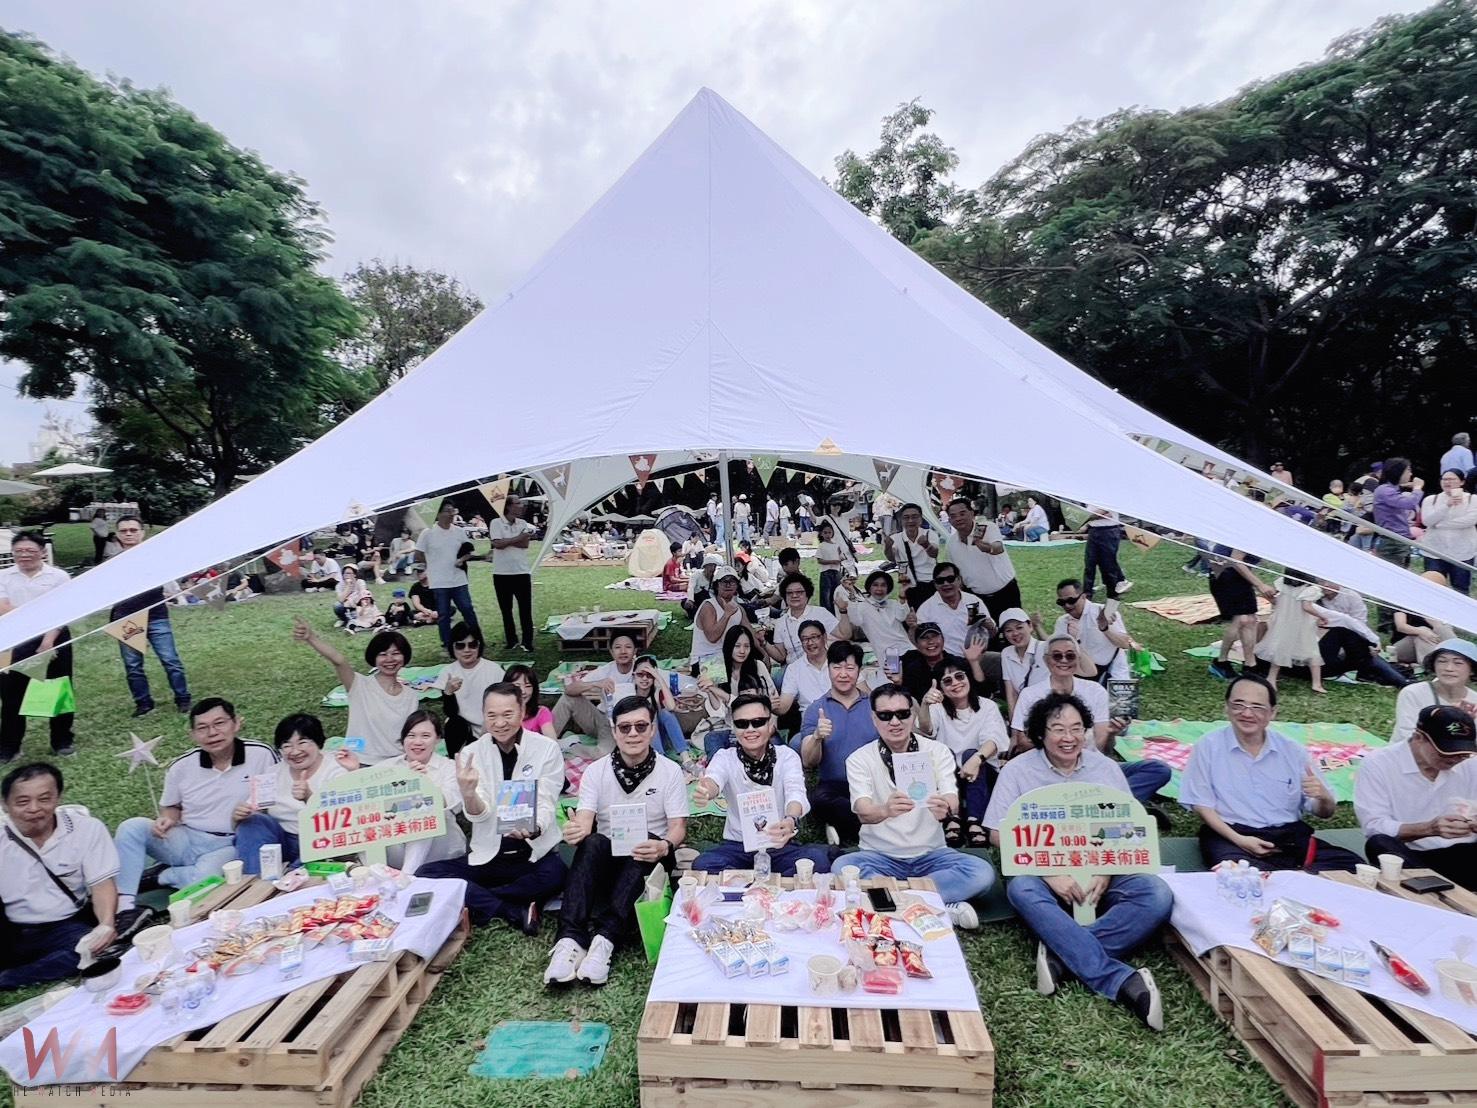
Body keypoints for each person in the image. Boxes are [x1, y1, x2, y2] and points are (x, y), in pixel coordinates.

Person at [984, 692, 1171, 1030]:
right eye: (1057, 729)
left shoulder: (1106, 769)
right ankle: (1118, 980)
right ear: (1040, 733)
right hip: (1045, 873)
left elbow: (1127, 826)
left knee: (1155, 893)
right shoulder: (1018, 771)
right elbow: (996, 833)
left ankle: (1061, 956)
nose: (1068, 738)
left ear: (1086, 731)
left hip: (1104, 870)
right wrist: (1049, 870)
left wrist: (1106, 869)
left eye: (1076, 729)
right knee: (1022, 889)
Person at [547, 696, 688, 985]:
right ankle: (570, 941)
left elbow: (678, 827)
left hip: (652, 855)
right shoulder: (596, 771)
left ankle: (604, 941)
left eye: (640, 726)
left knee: (645, 841)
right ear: (614, 731)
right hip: (610, 853)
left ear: (651, 730)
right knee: (593, 842)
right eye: (625, 728)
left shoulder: (670, 771)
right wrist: (576, 830)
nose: (633, 734)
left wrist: (664, 845)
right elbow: (585, 820)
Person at [113, 697, 278, 927]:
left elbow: (275, 797)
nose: (212, 733)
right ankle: (125, 907)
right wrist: (167, 819)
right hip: (188, 837)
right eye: (202, 727)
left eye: (220, 723)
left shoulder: (261, 754)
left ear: (236, 724)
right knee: (131, 827)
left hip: (231, 843)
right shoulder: (182, 766)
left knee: (207, 880)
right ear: (193, 734)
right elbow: (171, 806)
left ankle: (163, 876)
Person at [844, 685, 994, 928]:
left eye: (903, 714)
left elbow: (951, 799)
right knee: (843, 867)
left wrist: (944, 809)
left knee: (982, 873)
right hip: (879, 855)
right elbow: (862, 810)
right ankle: (935, 904)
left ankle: (894, 901)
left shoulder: (936, 751)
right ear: (874, 718)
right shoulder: (859, 758)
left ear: (913, 715)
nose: (895, 721)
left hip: (931, 854)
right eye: (885, 715)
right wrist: (885, 810)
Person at [422, 684, 568, 933]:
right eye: (492, 715)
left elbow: (546, 799)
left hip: (532, 854)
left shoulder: (546, 749)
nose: (500, 723)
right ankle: (512, 909)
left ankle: (479, 898)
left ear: (522, 712)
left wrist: (534, 828)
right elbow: (481, 812)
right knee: (426, 873)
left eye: (507, 714)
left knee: (558, 875)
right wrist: (468, 793)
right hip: (489, 855)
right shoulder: (472, 753)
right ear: (483, 714)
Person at [1179, 674, 1361, 872]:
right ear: (1227, 707)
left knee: (1352, 865)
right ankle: (1293, 879)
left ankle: (1292, 878)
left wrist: (1325, 797)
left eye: (1257, 707)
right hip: (1231, 835)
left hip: (1286, 837)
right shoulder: (1208, 746)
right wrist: (1240, 840)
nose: (1247, 713)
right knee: (1238, 875)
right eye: (1238, 705)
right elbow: (1202, 805)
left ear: (1272, 712)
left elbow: (1324, 812)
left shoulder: (1292, 750)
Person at [1010, 636, 1171, 810]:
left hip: (1093, 767)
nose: (1064, 660)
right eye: (1057, 656)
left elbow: (1102, 749)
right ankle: (1117, 805)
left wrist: (1111, 733)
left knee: (1158, 770)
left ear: (1078, 660)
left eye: (1070, 656)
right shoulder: (1031, 694)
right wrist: (1061, 747)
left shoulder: (1095, 691)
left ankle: (1112, 805)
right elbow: (1022, 742)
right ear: (1046, 660)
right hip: (1050, 769)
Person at [0, 763, 123, 988]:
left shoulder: (86, 829)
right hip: (10, 928)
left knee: (90, 949)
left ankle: (10, 978)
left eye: (45, 799)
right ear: (5, 804)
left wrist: (106, 924)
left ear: (58, 797)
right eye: (23, 802)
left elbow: (102, 884)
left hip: (63, 926)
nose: (34, 808)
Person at [692, 692, 831, 875]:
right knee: (703, 865)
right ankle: (757, 887)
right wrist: (706, 790)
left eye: (758, 722)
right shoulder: (725, 757)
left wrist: (790, 820)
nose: (750, 729)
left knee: (817, 862)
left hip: (778, 843)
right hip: (738, 845)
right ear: (734, 728)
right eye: (742, 724)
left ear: (770, 725)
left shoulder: (786, 756)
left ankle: (746, 884)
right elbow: (714, 779)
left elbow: (795, 792)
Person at [1355, 705, 1477, 889]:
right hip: (1414, 856)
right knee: (1379, 843)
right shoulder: (1379, 764)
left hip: (1466, 853)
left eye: (1462, 753)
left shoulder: (1470, 763)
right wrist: (1429, 828)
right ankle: (1436, 888)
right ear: (1419, 738)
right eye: (1445, 752)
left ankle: (1444, 888)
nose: (1455, 759)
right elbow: (1374, 826)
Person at [232, 713, 356, 875]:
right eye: (287, 745)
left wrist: (309, 798)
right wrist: (239, 816)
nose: (295, 751)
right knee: (253, 822)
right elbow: (252, 816)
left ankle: (292, 876)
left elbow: (343, 822)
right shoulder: (273, 773)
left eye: (302, 742)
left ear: (319, 743)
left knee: (301, 869)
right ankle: (254, 881)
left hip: (320, 842)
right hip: (282, 840)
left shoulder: (336, 771)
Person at [294, 621, 419, 763]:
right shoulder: (359, 684)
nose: (390, 659)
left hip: (398, 762)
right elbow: (339, 661)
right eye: (383, 654)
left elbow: (411, 735)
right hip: (360, 761)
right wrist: (311, 638)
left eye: (396, 653)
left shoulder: (411, 696)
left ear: (404, 657)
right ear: (374, 657)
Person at [0, 532, 75, 762]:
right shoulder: (4, 576)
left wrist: (47, 641)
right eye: (19, 551)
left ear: (42, 552)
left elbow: (63, 610)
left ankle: (62, 740)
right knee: (11, 695)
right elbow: (3, 607)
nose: (24, 555)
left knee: (57, 689)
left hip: (55, 637)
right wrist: (35, 622)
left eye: (30, 551)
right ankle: (10, 746)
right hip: (14, 640)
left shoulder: (58, 577)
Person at [916, 656, 1007, 847]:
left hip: (981, 770)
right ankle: (952, 817)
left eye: (960, 676)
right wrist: (924, 704)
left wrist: (976, 759)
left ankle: (975, 821)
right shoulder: (938, 708)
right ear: (941, 688)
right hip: (947, 774)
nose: (955, 683)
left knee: (971, 754)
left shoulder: (987, 706)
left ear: (968, 678)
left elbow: (994, 740)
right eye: (948, 681)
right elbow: (926, 729)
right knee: (944, 754)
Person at [107, 515, 192, 718]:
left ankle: (183, 699)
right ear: (118, 534)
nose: (129, 534)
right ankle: (143, 703)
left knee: (170, 660)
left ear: (142, 533)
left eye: (133, 530)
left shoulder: (156, 557)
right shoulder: (111, 563)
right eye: (124, 531)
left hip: (156, 616)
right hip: (126, 617)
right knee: (133, 665)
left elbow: (169, 581)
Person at [795, 641, 878, 844]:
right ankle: (870, 825)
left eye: (850, 668)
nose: (843, 674)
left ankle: (849, 829)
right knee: (818, 801)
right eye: (837, 667)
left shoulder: (875, 706)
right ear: (828, 670)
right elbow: (808, 761)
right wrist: (816, 737)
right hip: (835, 785)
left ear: (859, 672)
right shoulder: (817, 709)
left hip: (872, 782)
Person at [552, 631, 641, 749]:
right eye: (618, 647)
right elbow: (569, 690)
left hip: (631, 724)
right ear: (611, 652)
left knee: (606, 755)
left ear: (635, 651)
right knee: (568, 699)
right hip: (602, 721)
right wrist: (596, 683)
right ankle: (546, 742)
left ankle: (573, 748)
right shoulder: (605, 670)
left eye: (628, 647)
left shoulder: (641, 670)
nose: (623, 651)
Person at [1313, 579, 1408, 687]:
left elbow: (1359, 623)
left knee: (1360, 646)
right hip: (1324, 645)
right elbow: (1343, 620)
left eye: (1329, 581)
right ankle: (1400, 680)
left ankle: (1397, 678)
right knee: (1350, 638)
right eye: (1321, 582)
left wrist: (1369, 640)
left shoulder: (1350, 596)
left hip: (1351, 640)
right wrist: (1372, 640)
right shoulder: (1314, 598)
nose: (1325, 585)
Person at [938, 498, 1021, 622]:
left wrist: (986, 547)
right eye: (953, 516)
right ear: (949, 520)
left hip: (1005, 592)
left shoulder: (987, 527)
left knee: (1014, 630)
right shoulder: (951, 543)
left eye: (962, 513)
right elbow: (953, 572)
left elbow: (998, 547)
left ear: (972, 513)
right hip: (976, 598)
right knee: (982, 634)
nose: (958, 518)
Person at [416, 502, 481, 655]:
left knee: (467, 609)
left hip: (459, 579)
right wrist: (431, 565)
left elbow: (469, 551)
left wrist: (462, 559)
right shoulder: (428, 533)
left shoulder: (459, 531)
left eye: (453, 511)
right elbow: (418, 554)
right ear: (438, 514)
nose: (451, 514)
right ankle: (447, 644)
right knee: (443, 614)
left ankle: (477, 640)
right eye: (447, 511)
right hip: (439, 581)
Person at [1206, 546, 1277, 681]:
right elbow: (1236, 559)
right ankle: (1221, 662)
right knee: (1242, 619)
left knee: (1249, 620)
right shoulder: (1251, 531)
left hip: (1236, 576)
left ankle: (1250, 665)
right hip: (1225, 575)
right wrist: (1260, 585)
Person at [1253, 570, 1326, 693]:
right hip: (1302, 624)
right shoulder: (1311, 589)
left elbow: (1275, 601)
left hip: (1283, 621)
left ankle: (1271, 679)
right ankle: (1316, 683)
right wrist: (1322, 616)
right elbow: (1306, 607)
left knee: (1281, 649)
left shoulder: (1283, 584)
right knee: (1312, 651)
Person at [1391, 639, 1477, 743]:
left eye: (1458, 663)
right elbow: (1408, 737)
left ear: (1472, 670)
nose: (1449, 668)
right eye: (1442, 661)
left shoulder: (1474, 701)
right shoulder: (1413, 693)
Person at [440, 623, 506, 755]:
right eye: (460, 645)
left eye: (472, 645)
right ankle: (457, 761)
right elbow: (451, 713)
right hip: (464, 731)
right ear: (452, 647)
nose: (466, 650)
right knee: (453, 724)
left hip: (493, 727)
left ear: (479, 645)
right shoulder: (448, 672)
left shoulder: (494, 671)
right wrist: (448, 693)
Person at [1052, 578, 1134, 683]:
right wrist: (1072, 639)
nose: (1067, 605)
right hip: (1080, 673)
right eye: (1061, 602)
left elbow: (1125, 644)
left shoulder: (1103, 612)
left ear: (1083, 596)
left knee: (1120, 698)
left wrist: (1105, 628)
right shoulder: (1062, 622)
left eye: (1071, 600)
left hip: (1112, 671)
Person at [489, 494, 537, 652]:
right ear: (509, 506)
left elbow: (525, 544)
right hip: (501, 573)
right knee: (506, 610)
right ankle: (511, 640)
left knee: (525, 609)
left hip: (521, 572)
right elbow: (497, 544)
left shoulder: (523, 523)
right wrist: (518, 538)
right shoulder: (496, 523)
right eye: (518, 503)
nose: (521, 505)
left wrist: (509, 540)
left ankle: (527, 641)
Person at [1421, 469, 1477, 595]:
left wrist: (1439, 524)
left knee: (1461, 589)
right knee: (1432, 588)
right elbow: (1427, 521)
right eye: (1445, 479)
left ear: (1462, 482)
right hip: (1434, 551)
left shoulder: (1472, 499)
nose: (1447, 482)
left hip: (1462, 552)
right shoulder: (1431, 499)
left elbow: (1470, 520)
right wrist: (1447, 505)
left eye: (1452, 479)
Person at [836, 570, 913, 661]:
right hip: (888, 653)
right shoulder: (863, 606)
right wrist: (851, 592)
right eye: (875, 585)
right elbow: (855, 620)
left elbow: (902, 616)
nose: (879, 589)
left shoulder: (893, 603)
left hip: (907, 648)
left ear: (888, 588)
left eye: (883, 585)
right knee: (895, 673)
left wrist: (902, 597)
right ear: (869, 587)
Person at [918, 563, 992, 657]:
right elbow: (921, 642)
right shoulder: (926, 609)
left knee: (998, 660)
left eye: (950, 579)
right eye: (940, 581)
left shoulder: (973, 600)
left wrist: (989, 626)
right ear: (935, 584)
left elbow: (991, 633)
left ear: (959, 580)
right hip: (947, 660)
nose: (946, 584)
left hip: (978, 656)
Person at [764, 572, 841, 663]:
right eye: (789, 593)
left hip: (823, 665)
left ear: (807, 594)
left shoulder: (821, 613)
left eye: (799, 592)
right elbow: (781, 657)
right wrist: (763, 642)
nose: (794, 595)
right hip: (795, 670)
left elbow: (842, 636)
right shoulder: (781, 622)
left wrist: (843, 611)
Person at [1391, 572, 1458, 668]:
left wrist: (1435, 623)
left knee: (1442, 626)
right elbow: (1401, 626)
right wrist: (1420, 631)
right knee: (1423, 631)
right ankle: (1432, 667)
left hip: (1431, 644)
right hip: (1401, 648)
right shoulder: (1406, 600)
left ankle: (1460, 654)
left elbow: (1444, 629)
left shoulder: (1439, 605)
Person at [773, 619, 831, 721]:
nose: (810, 643)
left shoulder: (840, 660)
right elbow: (783, 707)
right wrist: (770, 704)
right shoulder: (794, 669)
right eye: (805, 639)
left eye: (814, 637)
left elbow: (864, 693)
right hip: (812, 723)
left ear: (824, 637)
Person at [1372, 457, 1424, 569]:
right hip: (1393, 542)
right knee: (1393, 575)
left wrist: (1403, 485)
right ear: (1398, 472)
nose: (1411, 473)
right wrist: (1417, 488)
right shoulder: (1385, 490)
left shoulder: (1388, 489)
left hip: (1397, 540)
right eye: (1408, 470)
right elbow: (1408, 503)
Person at [998, 608, 1049, 721]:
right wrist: (1014, 727)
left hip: (1049, 710)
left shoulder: (1045, 649)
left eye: (1019, 627)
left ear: (1030, 626)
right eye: (1008, 630)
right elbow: (1011, 693)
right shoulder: (1006, 653)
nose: (1015, 633)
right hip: (1025, 712)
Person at [692, 567, 750, 662]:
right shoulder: (708, 606)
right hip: (704, 660)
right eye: (724, 581)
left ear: (736, 586)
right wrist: (726, 615)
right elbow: (712, 637)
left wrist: (763, 651)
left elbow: (750, 633)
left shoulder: (739, 609)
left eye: (732, 582)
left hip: (727, 658)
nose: (728, 585)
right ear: (717, 586)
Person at [889, 503, 939, 608]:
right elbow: (891, 558)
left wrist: (926, 545)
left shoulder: (929, 534)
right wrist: (887, 547)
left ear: (921, 519)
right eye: (906, 518)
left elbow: (934, 554)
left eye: (914, 517)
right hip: (909, 585)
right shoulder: (896, 538)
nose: (910, 521)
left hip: (930, 583)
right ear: (901, 520)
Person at [1081, 508, 1132, 599]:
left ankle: (1112, 594)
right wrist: (1087, 523)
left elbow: (1105, 514)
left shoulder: (1107, 497)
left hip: (1108, 531)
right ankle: (1087, 594)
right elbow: (1097, 515)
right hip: (1094, 530)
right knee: (1090, 563)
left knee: (1108, 564)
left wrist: (1084, 517)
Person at [506, 663, 558, 739]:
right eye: (517, 686)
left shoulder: (541, 712)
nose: (523, 691)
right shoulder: (498, 711)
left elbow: (552, 740)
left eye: (528, 686)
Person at [816, 520, 843, 612]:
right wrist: (832, 561)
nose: (827, 535)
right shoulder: (822, 546)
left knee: (835, 594)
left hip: (836, 572)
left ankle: (836, 612)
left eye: (829, 532)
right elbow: (819, 560)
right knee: (825, 596)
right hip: (826, 572)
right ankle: (826, 613)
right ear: (821, 534)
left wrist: (840, 559)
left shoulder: (836, 545)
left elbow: (841, 556)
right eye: (825, 532)